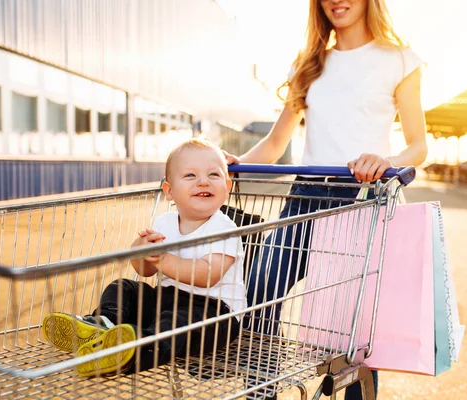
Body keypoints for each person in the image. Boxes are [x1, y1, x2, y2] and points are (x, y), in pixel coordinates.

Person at [224, 0, 428, 398]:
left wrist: (386, 161)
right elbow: (276, 141)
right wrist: (233, 165)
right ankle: (260, 391)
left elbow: (419, 145)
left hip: (363, 201)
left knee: (352, 327)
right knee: (261, 291)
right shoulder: (310, 63)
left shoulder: (401, 60)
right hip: (304, 198)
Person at [42, 138, 246, 377]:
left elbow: (207, 276)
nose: (203, 181)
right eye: (190, 175)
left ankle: (134, 351)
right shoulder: (164, 222)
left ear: (227, 187)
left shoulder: (224, 227)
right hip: (167, 299)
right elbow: (145, 272)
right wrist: (141, 251)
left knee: (177, 321)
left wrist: (164, 260)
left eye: (214, 175)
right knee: (124, 288)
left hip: (214, 313)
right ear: (169, 191)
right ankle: (103, 325)